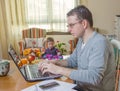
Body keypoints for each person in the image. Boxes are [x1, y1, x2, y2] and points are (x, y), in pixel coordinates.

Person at [39, 5, 116, 91]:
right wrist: (55, 62)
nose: (69, 30)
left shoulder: (100, 43)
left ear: (84, 24)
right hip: (80, 86)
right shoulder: (81, 40)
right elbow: (72, 61)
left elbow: (94, 77)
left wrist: (58, 70)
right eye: (68, 26)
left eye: (71, 25)